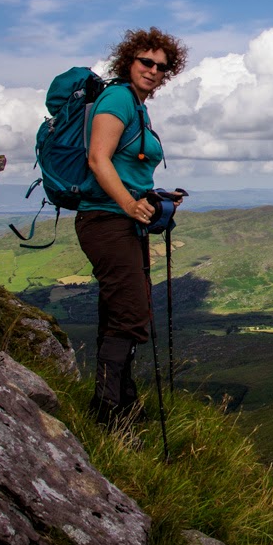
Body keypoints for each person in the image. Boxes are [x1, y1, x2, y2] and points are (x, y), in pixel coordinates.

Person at [75, 26, 188, 427]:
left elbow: (127, 168)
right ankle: (109, 414)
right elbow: (97, 158)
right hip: (107, 220)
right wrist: (130, 205)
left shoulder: (138, 106)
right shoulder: (118, 99)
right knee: (131, 314)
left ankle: (121, 402)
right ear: (129, 61)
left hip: (122, 221)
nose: (154, 70)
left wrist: (154, 197)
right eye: (147, 62)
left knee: (119, 312)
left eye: (162, 66)